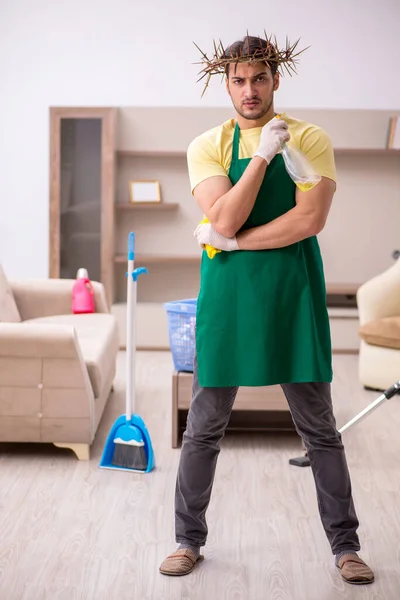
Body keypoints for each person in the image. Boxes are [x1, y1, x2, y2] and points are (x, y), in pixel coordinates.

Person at [159, 34, 374, 585]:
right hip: (229, 299)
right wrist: (260, 156)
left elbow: (308, 221)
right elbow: (224, 218)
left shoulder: (311, 138)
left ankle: (345, 547)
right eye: (239, 80)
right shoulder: (206, 144)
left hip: (292, 292)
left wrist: (234, 241)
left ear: (276, 79)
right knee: (204, 427)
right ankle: (187, 540)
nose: (249, 90)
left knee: (320, 430)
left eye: (259, 78)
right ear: (224, 83)